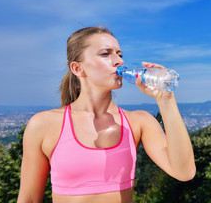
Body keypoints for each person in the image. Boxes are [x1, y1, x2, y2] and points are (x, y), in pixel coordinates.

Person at [17, 26, 196, 203]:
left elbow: (184, 172)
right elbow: (29, 199)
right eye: (105, 54)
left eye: (120, 54)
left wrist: (166, 100)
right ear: (78, 68)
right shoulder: (43, 125)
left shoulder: (139, 122)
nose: (118, 61)